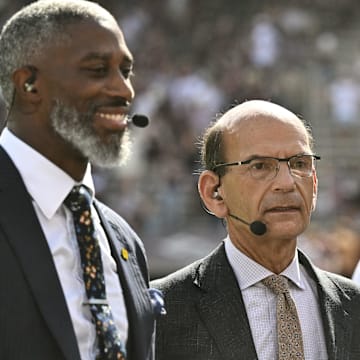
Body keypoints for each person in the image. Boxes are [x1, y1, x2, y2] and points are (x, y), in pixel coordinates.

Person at [0, 1, 161, 359]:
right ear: (28, 83)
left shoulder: (124, 240)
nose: (124, 91)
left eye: (126, 71)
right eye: (97, 70)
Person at [151, 99, 360, 360]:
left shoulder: (353, 304)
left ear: (315, 185)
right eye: (260, 166)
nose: (287, 183)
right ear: (214, 193)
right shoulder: (160, 311)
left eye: (299, 164)